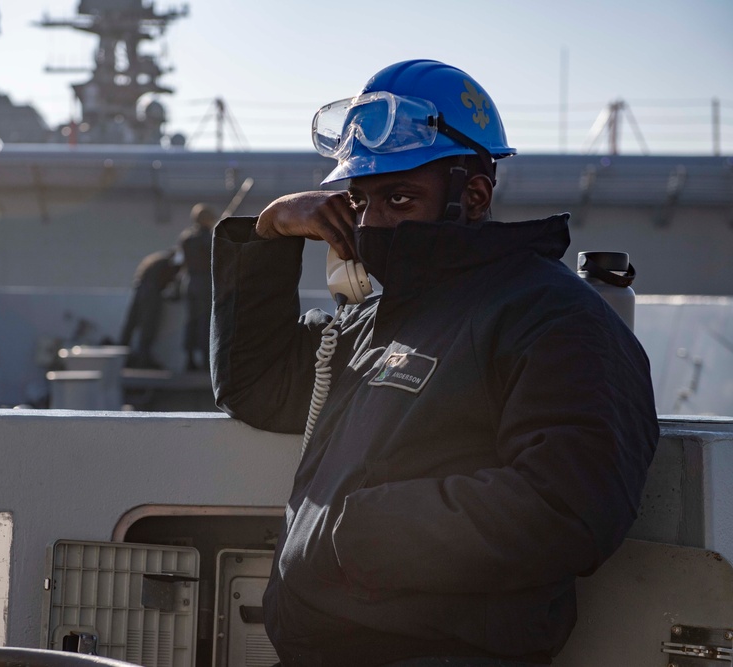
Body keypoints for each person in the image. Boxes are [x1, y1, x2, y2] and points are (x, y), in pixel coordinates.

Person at [210, 60, 658, 666]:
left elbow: (569, 505)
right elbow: (256, 383)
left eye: (399, 198)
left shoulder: (552, 317)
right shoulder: (383, 316)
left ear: (473, 196)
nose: (373, 224)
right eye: (358, 202)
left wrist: (361, 532)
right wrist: (267, 234)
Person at [118, 247, 181, 369]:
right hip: (151, 293)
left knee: (131, 324)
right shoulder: (168, 263)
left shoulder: (156, 260)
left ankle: (121, 355)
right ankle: (143, 358)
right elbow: (168, 279)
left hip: (139, 290)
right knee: (148, 326)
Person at [178, 203, 217, 371]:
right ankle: (205, 360)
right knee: (204, 322)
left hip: (189, 282)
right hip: (204, 283)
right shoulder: (208, 238)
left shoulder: (186, 237)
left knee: (191, 322)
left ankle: (189, 359)